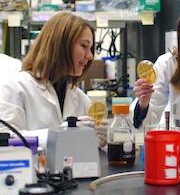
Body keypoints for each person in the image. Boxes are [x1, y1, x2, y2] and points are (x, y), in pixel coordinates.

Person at [0, 12, 107, 148]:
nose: (90, 56)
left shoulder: (80, 98)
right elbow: (5, 140)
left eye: (91, 48)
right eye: (84, 46)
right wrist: (61, 134)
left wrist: (98, 139)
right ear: (60, 45)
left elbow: (80, 149)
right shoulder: (15, 88)